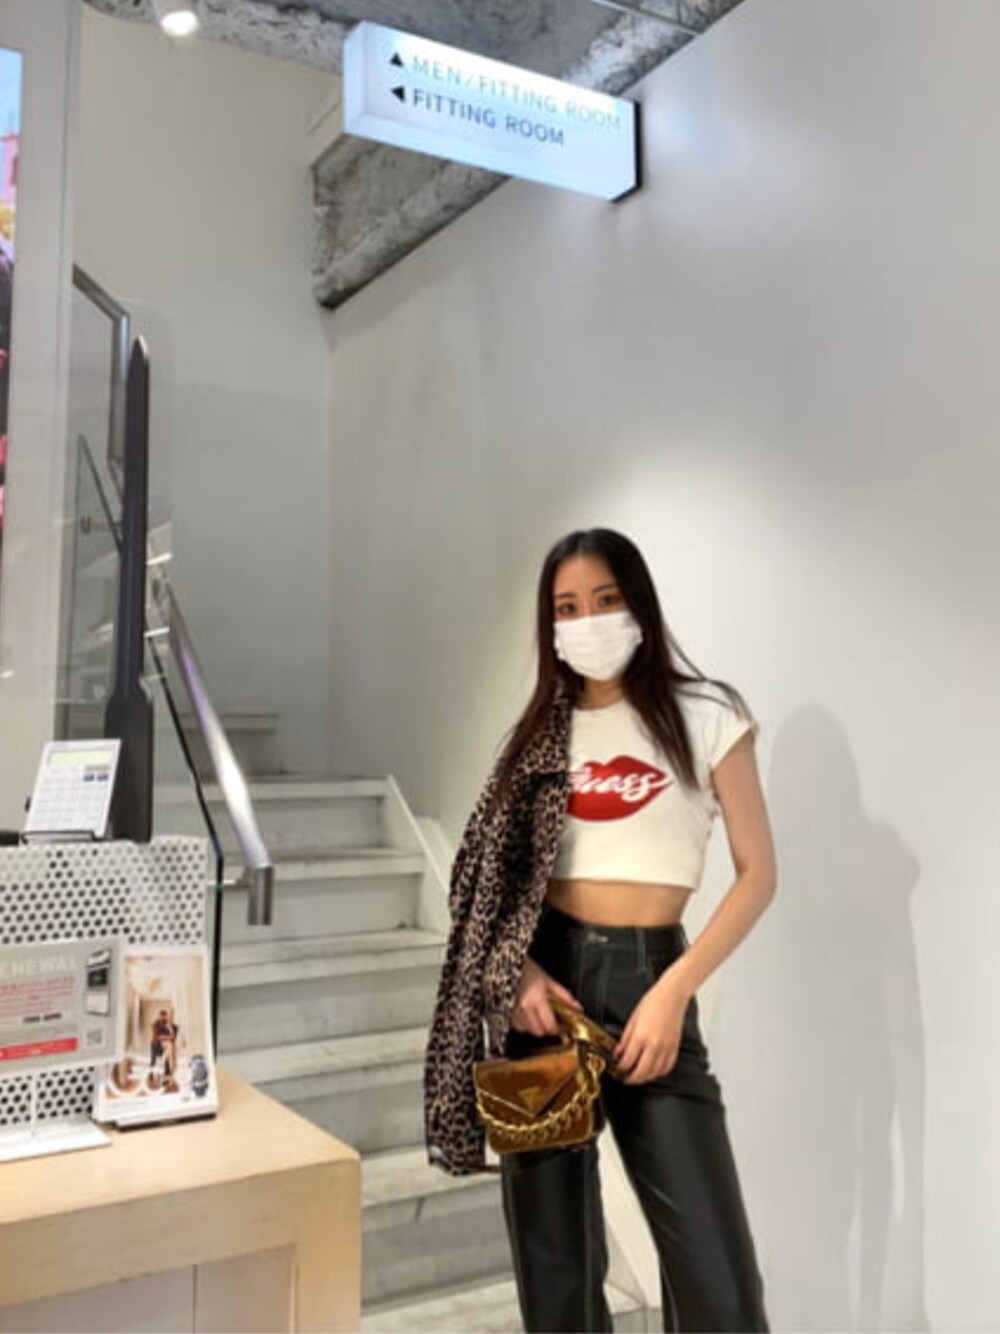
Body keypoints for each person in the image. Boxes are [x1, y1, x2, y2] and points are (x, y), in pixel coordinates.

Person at [423, 527, 776, 1333]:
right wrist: (516, 974)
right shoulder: (538, 735)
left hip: (653, 979)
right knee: (557, 1278)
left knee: (721, 1289)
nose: (588, 621)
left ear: (638, 604)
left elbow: (759, 874)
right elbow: (480, 879)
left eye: (606, 600)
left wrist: (674, 993)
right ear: (549, 625)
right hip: (545, 995)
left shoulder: (707, 714)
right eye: (567, 608)